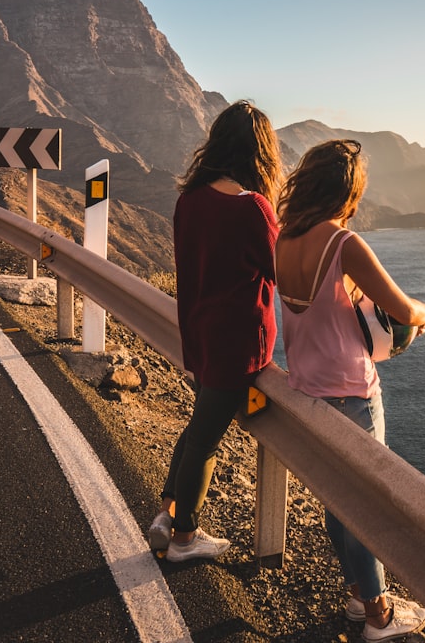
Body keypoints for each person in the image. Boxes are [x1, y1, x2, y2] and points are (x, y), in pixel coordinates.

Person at [274, 139, 425, 642]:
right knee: (366, 508)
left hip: (305, 392)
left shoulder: (283, 239)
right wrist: (424, 313)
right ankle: (379, 615)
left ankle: (358, 594)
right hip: (352, 394)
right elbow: (403, 310)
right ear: (348, 191)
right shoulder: (343, 244)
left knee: (337, 503)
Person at [147, 100, 283, 563]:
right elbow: (283, 273)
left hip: (199, 336)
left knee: (197, 428)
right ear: (260, 153)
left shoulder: (190, 201)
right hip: (238, 347)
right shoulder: (254, 209)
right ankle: (184, 538)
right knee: (205, 440)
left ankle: (166, 514)